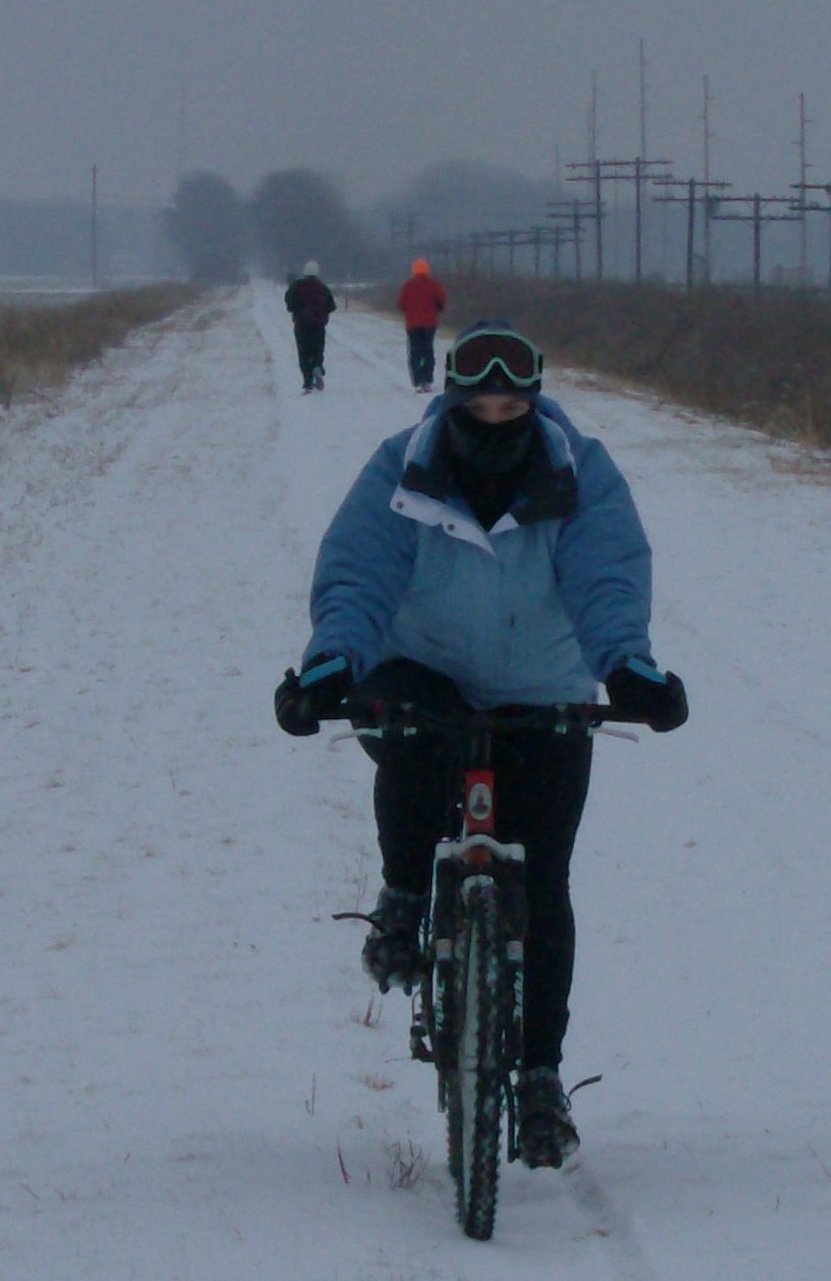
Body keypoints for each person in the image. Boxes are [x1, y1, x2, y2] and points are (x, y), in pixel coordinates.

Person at [273, 322, 688, 1167]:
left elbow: (607, 573)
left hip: (546, 686)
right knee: (414, 742)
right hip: (424, 666)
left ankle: (538, 1077)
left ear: (534, 399)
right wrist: (329, 667)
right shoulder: (403, 465)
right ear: (451, 397)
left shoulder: (580, 469)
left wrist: (630, 670)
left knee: (544, 881)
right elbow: (361, 570)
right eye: (479, 401)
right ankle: (400, 894)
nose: (496, 416)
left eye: (513, 403)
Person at [285, 260, 337, 391]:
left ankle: (307, 381)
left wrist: (297, 310)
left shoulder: (296, 286)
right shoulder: (322, 288)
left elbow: (289, 303)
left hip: (301, 326)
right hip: (318, 326)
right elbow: (332, 306)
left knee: (303, 352)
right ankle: (317, 366)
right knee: (317, 350)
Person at [397, 258, 447, 393]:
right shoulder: (434, 284)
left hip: (412, 324)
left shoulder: (408, 285)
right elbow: (441, 301)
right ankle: (427, 381)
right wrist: (436, 309)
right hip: (430, 323)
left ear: (413, 270)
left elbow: (401, 304)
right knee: (428, 351)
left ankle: (417, 381)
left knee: (415, 352)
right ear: (427, 270)